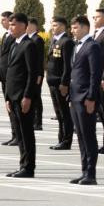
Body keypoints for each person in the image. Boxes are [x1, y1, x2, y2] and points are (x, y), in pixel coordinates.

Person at [1, 12, 42, 179]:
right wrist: (7, 98)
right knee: (19, 133)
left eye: (14, 24)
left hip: (23, 96)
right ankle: (22, 165)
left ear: (24, 26)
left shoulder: (29, 45)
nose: (11, 27)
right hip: (13, 96)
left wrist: (27, 96)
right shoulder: (14, 44)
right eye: (10, 24)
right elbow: (11, 73)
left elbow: (32, 74)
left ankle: (28, 167)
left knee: (26, 133)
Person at [67, 13, 103, 186]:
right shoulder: (77, 46)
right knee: (80, 136)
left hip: (85, 98)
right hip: (75, 97)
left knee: (88, 136)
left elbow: (95, 75)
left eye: (75, 27)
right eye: (72, 28)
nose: (72, 31)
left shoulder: (92, 46)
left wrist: (91, 97)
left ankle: (91, 173)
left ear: (85, 28)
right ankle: (84, 171)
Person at [46, 17, 73, 151]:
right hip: (52, 81)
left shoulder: (66, 42)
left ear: (63, 27)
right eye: (52, 25)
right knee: (58, 113)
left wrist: (64, 83)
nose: (53, 27)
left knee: (64, 113)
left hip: (60, 83)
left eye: (55, 25)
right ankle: (61, 138)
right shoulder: (54, 40)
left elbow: (67, 66)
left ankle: (66, 140)